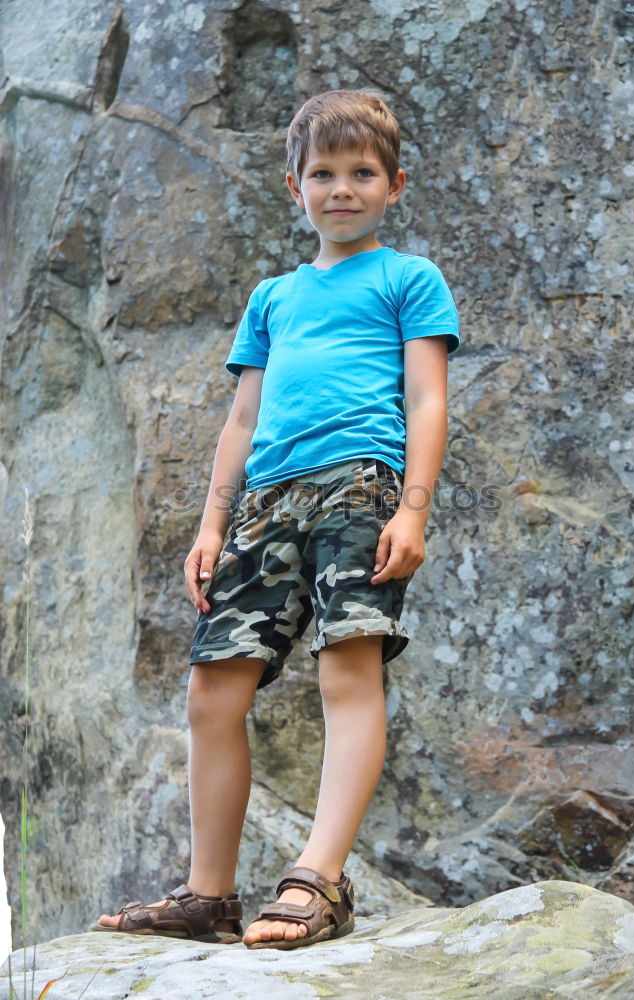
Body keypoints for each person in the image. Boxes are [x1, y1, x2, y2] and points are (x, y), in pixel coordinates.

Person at [90, 88, 460, 951]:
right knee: (213, 688)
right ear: (294, 187)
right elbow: (242, 422)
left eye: (361, 173)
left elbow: (427, 398)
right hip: (265, 503)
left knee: (347, 670)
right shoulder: (274, 298)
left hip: (359, 489)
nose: (342, 188)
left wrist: (412, 509)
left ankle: (318, 878)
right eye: (322, 173)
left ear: (394, 184)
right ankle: (208, 893)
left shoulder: (407, 279)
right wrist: (212, 525)